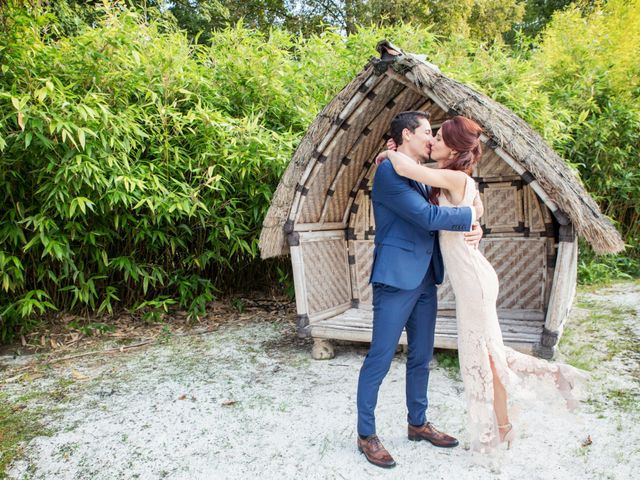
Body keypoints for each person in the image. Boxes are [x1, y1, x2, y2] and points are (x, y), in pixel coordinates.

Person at [378, 115, 587, 454]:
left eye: (439, 139)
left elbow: (408, 170)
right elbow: (475, 205)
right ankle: (509, 421)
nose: (432, 143)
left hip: (474, 281)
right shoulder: (455, 181)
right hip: (474, 278)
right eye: (431, 137)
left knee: (478, 359)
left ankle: (497, 431)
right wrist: (477, 219)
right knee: (489, 356)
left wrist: (388, 154)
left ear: (455, 148)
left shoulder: (452, 176)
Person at [356, 111, 484, 468]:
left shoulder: (426, 176)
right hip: (396, 279)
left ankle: (418, 423)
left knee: (421, 357)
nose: (432, 139)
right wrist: (468, 220)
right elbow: (427, 218)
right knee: (380, 358)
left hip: (427, 277)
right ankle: (366, 434)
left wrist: (478, 223)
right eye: (428, 132)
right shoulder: (388, 172)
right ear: (408, 134)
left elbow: (466, 198)